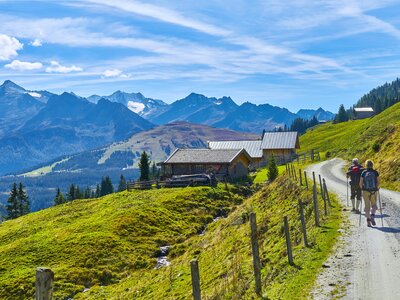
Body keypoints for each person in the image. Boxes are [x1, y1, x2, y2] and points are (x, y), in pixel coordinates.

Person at [359, 159, 380, 227]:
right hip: (373, 191)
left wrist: (362, 188)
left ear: (366, 165)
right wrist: (377, 188)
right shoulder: (375, 172)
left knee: (367, 207)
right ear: (372, 165)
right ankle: (372, 216)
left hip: (365, 191)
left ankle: (368, 221)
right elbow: (378, 182)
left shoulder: (363, 172)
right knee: (374, 206)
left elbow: (360, 183)